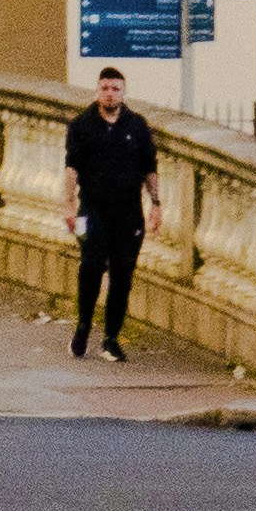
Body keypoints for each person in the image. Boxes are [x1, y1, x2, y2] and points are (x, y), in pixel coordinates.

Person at [63, 68, 164, 360]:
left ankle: (111, 338)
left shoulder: (136, 125)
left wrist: (155, 204)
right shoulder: (82, 125)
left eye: (116, 89)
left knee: (123, 274)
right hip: (91, 210)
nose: (110, 93)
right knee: (91, 266)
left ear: (123, 92)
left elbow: (150, 168)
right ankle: (83, 325)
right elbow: (72, 168)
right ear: (97, 91)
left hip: (129, 212)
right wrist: (68, 205)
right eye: (105, 88)